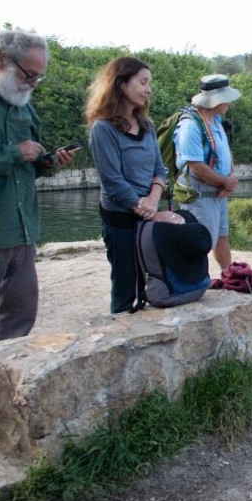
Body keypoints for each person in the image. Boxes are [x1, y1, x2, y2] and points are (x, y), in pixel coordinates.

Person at [87, 57, 185, 314]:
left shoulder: (147, 125)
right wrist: (149, 210)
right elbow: (113, 182)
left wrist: (153, 200)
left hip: (148, 215)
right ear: (120, 84)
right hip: (120, 219)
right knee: (125, 285)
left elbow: (159, 168)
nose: (148, 89)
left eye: (149, 83)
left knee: (150, 283)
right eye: (143, 82)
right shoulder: (103, 128)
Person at [0, 29, 77, 339]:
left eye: (38, 78)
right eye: (29, 75)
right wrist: (14, 154)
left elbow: (29, 167)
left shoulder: (24, 107)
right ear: (1, 60)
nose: (32, 84)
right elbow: (16, 158)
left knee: (20, 315)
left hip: (22, 231)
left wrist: (49, 162)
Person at [174, 74, 241, 272]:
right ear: (216, 99)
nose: (229, 102)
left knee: (221, 236)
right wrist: (225, 181)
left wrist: (229, 180)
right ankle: (194, 280)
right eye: (226, 98)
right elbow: (196, 166)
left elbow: (223, 152)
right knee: (200, 240)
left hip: (217, 192)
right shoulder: (190, 126)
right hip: (199, 194)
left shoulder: (216, 120)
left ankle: (228, 275)